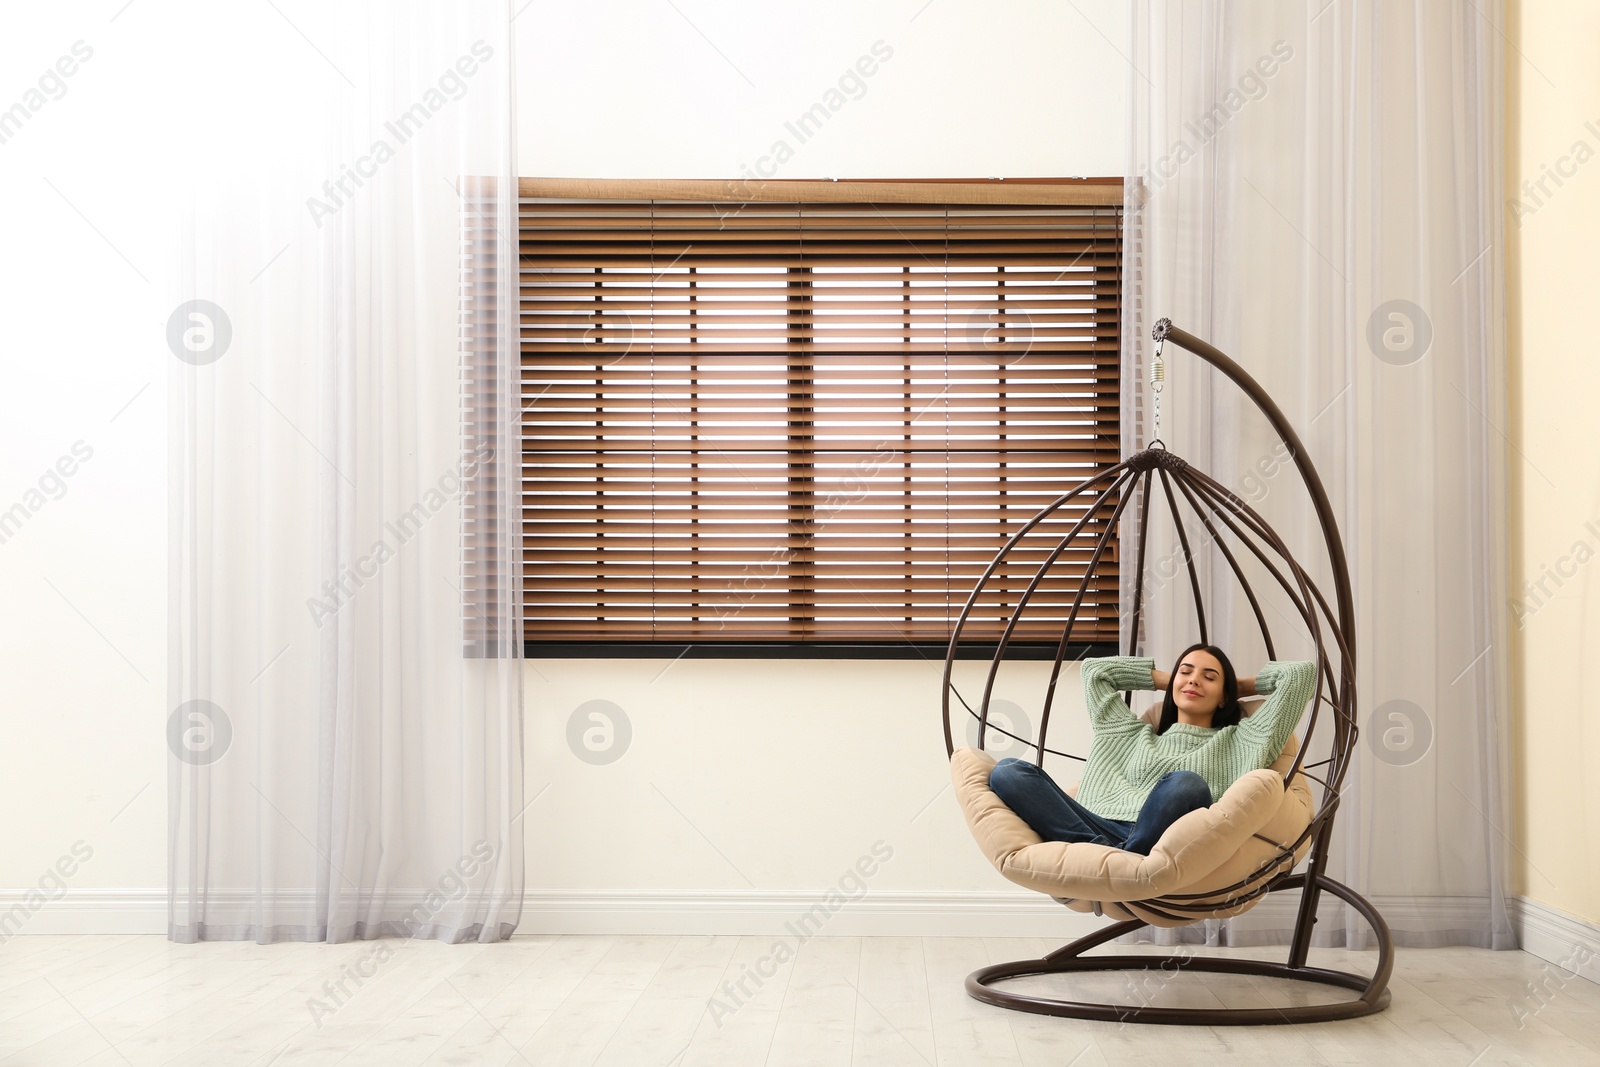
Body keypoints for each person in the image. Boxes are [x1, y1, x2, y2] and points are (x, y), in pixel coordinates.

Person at [987, 645, 1316, 855]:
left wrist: (1239, 684)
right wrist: (1168, 678)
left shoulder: (1245, 740)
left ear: (1226, 696)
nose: (1194, 681)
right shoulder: (1126, 732)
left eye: (1209, 677)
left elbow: (1301, 675)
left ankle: (1124, 854)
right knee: (1009, 771)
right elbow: (1095, 672)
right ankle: (1115, 852)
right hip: (1094, 824)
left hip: (1163, 836)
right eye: (1185, 672)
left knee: (1186, 782)